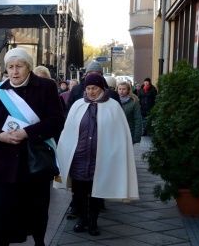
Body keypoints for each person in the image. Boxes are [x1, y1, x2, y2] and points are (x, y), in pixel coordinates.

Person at [0, 48, 64, 246]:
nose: (14, 71)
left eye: (19, 66)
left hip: (34, 164)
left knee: (37, 214)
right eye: (10, 67)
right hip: (4, 165)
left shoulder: (46, 87)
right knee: (2, 219)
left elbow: (57, 120)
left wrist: (28, 132)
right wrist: (0, 135)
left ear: (28, 66)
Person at [56, 73, 139, 236]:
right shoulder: (78, 105)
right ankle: (83, 219)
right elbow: (69, 132)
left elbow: (119, 134)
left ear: (102, 88)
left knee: (96, 192)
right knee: (78, 191)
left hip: (101, 158)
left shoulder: (113, 107)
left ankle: (93, 221)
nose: (91, 91)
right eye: (88, 88)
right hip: (79, 157)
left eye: (94, 88)